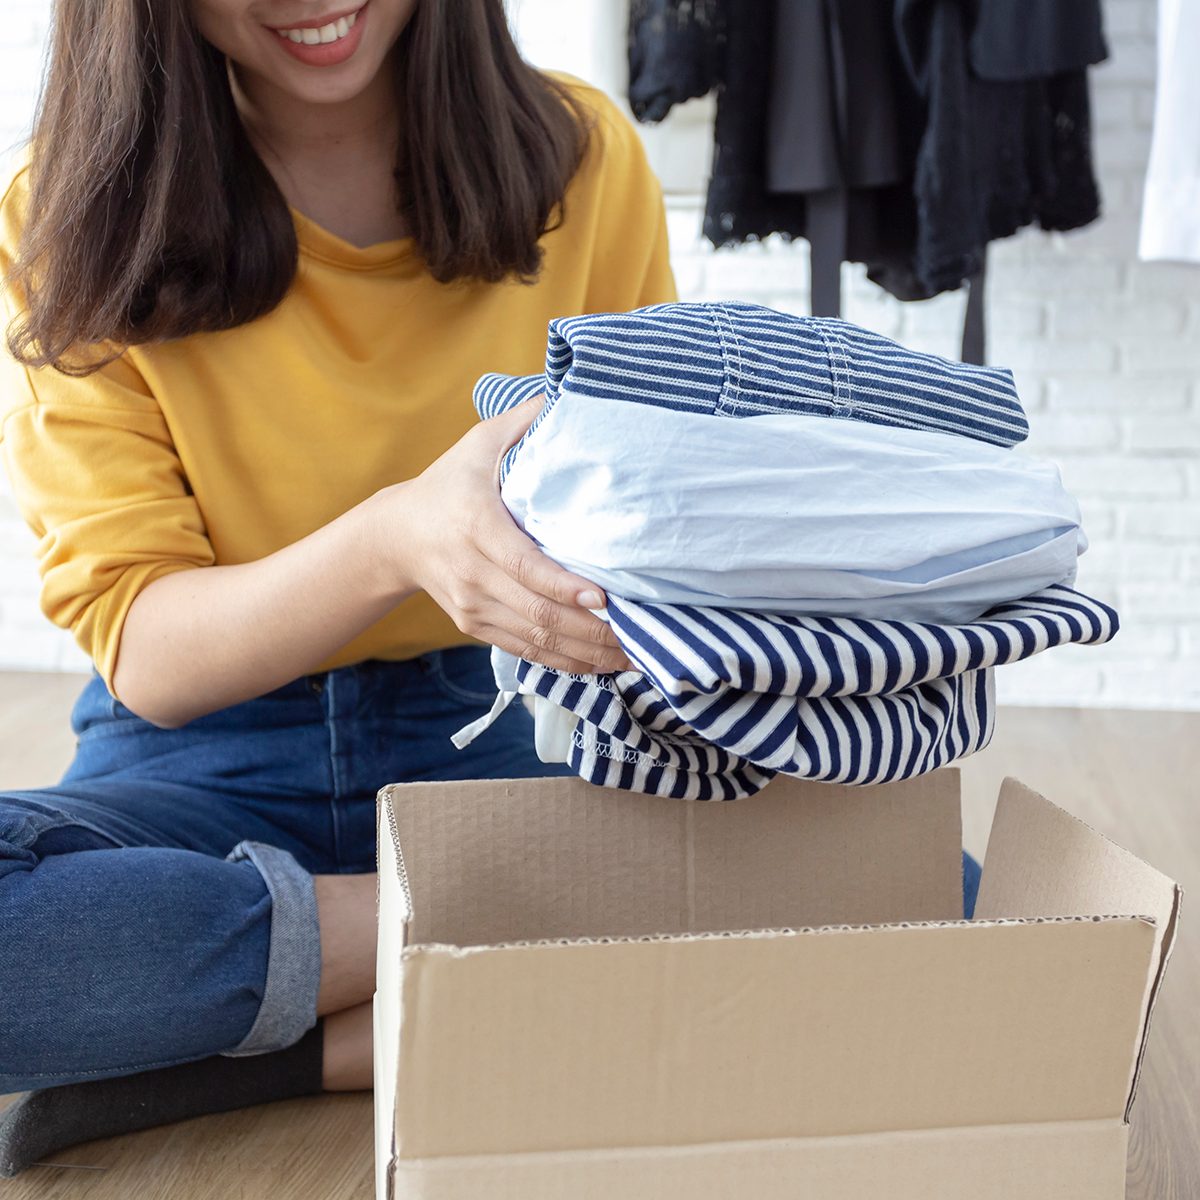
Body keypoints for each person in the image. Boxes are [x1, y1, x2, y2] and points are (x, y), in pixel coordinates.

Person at [0, 0, 675, 1174]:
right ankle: (484, 949)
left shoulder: (585, 159)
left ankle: (275, 1036)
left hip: (480, 731)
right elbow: (147, 650)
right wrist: (396, 542)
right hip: (196, 764)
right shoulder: (67, 212)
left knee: (933, 885)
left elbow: (661, 519)